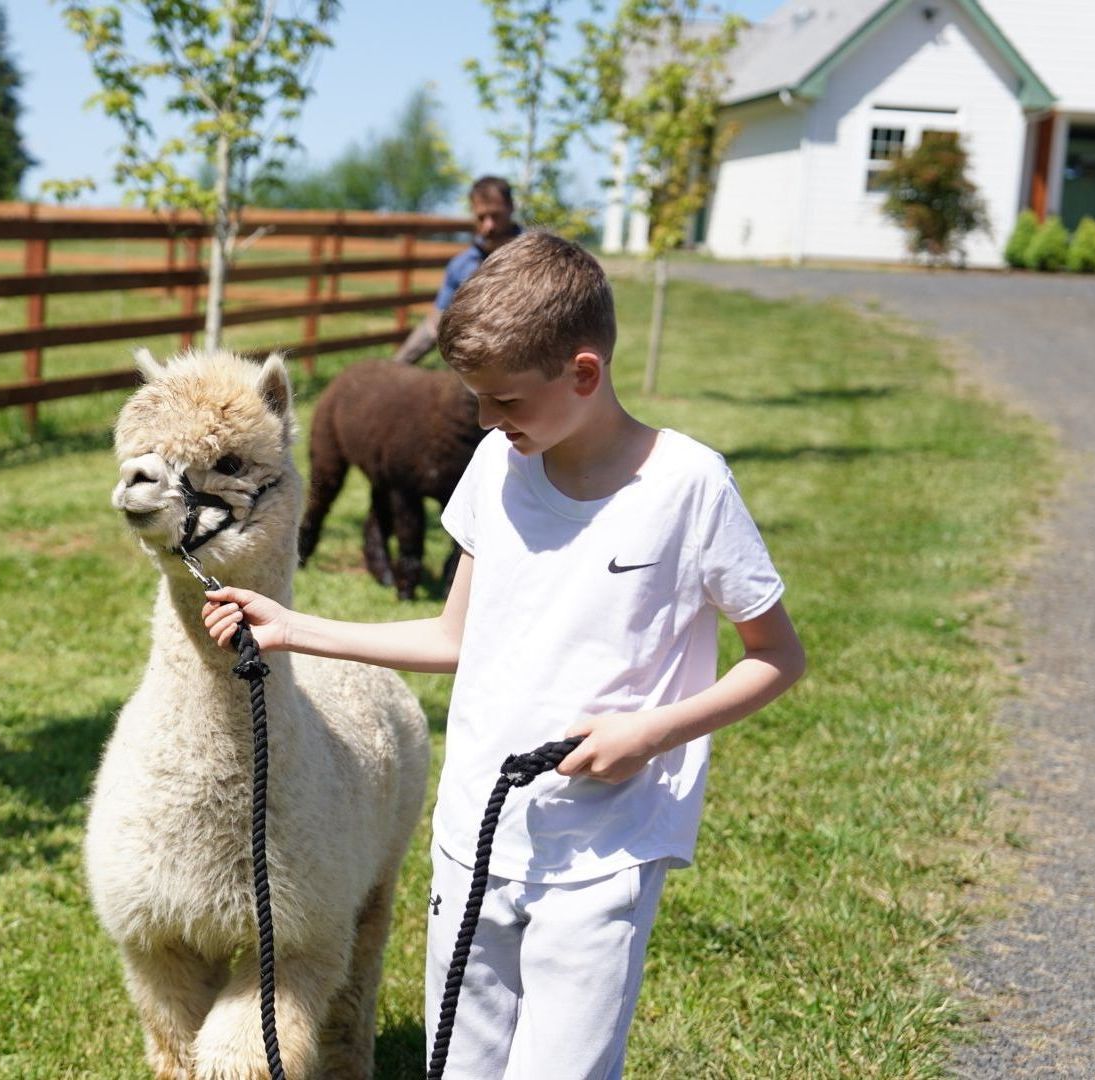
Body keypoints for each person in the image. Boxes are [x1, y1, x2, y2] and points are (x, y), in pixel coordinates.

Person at [203, 232, 806, 1079]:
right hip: (473, 838)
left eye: (506, 401)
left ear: (584, 375)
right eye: (477, 399)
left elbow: (777, 656)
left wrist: (652, 732)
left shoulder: (689, 488)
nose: (487, 421)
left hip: (603, 853)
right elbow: (456, 638)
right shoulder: (497, 465)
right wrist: (294, 627)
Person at [390, 175, 522, 365]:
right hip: (479, 371)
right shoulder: (462, 266)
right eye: (481, 217)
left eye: (495, 215)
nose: (489, 225)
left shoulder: (537, 257)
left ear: (511, 208)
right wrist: (396, 366)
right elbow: (436, 324)